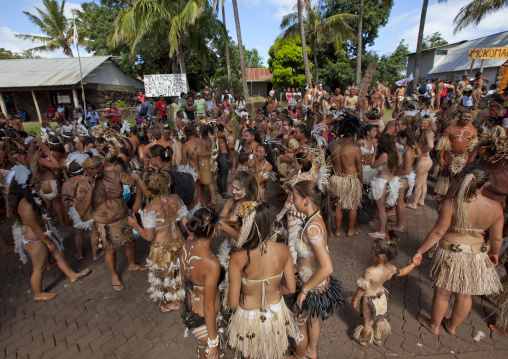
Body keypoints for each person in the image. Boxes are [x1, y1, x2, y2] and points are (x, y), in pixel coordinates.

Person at [413, 167, 503, 336]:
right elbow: (497, 238)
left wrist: (420, 251)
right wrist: (494, 253)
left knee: (442, 292)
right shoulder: (495, 207)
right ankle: (452, 326)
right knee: (465, 294)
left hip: (451, 253)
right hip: (477, 254)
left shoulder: (452, 203)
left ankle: (434, 325)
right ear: (487, 184)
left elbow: (438, 232)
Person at [7, 165, 90, 301]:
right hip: (36, 240)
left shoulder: (29, 198)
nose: (40, 182)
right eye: (37, 181)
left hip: (42, 236)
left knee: (59, 255)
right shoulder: (25, 205)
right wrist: (48, 241)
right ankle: (38, 293)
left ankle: (72, 275)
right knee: (38, 269)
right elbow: (35, 228)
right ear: (29, 185)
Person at [227, 201, 298, 359]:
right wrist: (278, 290)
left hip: (248, 316)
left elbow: (232, 303)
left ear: (244, 226)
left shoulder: (238, 258)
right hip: (276, 312)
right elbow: (292, 288)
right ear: (267, 224)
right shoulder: (283, 250)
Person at [290, 180, 344, 359]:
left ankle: (299, 356)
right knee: (312, 319)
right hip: (313, 283)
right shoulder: (313, 218)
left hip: (311, 286)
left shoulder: (313, 228)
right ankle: (311, 352)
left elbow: (327, 267)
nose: (291, 200)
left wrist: (304, 290)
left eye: (294, 197)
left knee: (300, 322)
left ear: (306, 200)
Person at [75, 156, 146, 291]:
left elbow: (136, 180)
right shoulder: (82, 185)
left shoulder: (114, 175)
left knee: (131, 242)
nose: (96, 170)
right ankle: (114, 276)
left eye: (98, 167)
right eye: (92, 169)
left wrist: (137, 201)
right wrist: (90, 190)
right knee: (110, 250)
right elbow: (82, 210)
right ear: (86, 170)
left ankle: (132, 264)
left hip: (123, 217)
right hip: (104, 223)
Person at [128, 171, 188, 312]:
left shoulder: (149, 208)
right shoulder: (176, 198)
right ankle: (184, 296)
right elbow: (185, 221)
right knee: (180, 272)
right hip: (179, 241)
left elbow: (149, 237)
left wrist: (135, 224)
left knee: (167, 276)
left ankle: (175, 303)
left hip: (162, 248)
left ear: (149, 189)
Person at [350, 233, 416, 346]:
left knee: (368, 322)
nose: (370, 253)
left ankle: (362, 339)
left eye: (372, 251)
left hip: (368, 299)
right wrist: (414, 264)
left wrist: (355, 299)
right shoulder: (392, 269)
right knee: (381, 320)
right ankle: (378, 338)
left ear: (379, 257)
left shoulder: (369, 272)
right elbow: (404, 271)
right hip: (381, 297)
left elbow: (362, 289)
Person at [180, 208, 221, 359]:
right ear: (213, 229)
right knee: (210, 351)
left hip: (190, 312)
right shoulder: (211, 263)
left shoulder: (185, 246)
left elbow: (184, 280)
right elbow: (209, 306)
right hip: (205, 322)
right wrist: (213, 342)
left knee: (201, 348)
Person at [327, 118, 363, 237]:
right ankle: (350, 230)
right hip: (350, 180)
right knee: (352, 205)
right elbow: (359, 167)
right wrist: (361, 181)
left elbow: (330, 163)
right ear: (353, 132)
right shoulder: (355, 148)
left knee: (338, 205)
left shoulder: (334, 145)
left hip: (336, 179)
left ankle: (337, 231)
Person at [433, 109, 477, 199]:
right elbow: (442, 145)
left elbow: (474, 147)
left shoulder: (473, 131)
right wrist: (441, 158)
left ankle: (454, 192)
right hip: (450, 154)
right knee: (445, 172)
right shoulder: (450, 128)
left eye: (469, 117)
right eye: (465, 116)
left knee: (459, 175)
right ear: (460, 116)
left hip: (463, 156)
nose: (466, 119)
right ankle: (441, 191)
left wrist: (471, 161)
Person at [368, 134, 400, 239]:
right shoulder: (396, 153)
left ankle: (381, 231)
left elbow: (372, 165)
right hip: (390, 181)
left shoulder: (384, 155)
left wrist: (375, 151)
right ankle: (372, 219)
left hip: (382, 182)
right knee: (379, 206)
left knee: (381, 208)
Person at [389, 130, 416, 232]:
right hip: (401, 177)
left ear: (404, 139)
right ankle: (397, 222)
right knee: (397, 202)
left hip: (403, 179)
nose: (398, 140)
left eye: (399, 138)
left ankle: (399, 225)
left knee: (400, 202)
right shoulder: (406, 149)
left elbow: (407, 170)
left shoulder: (408, 151)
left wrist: (394, 173)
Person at [406, 117, 434, 209]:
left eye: (425, 123)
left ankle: (414, 203)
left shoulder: (428, 133)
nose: (422, 125)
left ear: (429, 124)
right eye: (421, 123)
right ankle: (421, 200)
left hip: (423, 161)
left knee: (418, 182)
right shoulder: (423, 133)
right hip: (427, 161)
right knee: (423, 182)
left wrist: (423, 153)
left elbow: (430, 145)